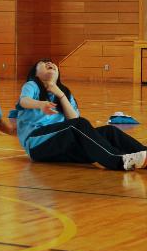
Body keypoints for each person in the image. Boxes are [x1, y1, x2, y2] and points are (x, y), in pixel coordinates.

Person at [16, 59, 147, 170]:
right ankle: (118, 160)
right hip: (37, 144)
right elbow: (24, 101)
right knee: (79, 124)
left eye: (51, 63)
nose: (49, 63)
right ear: (35, 73)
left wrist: (60, 95)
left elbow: (74, 119)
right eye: (44, 63)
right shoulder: (32, 85)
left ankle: (143, 152)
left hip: (60, 145)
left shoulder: (65, 93)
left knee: (109, 131)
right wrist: (40, 104)